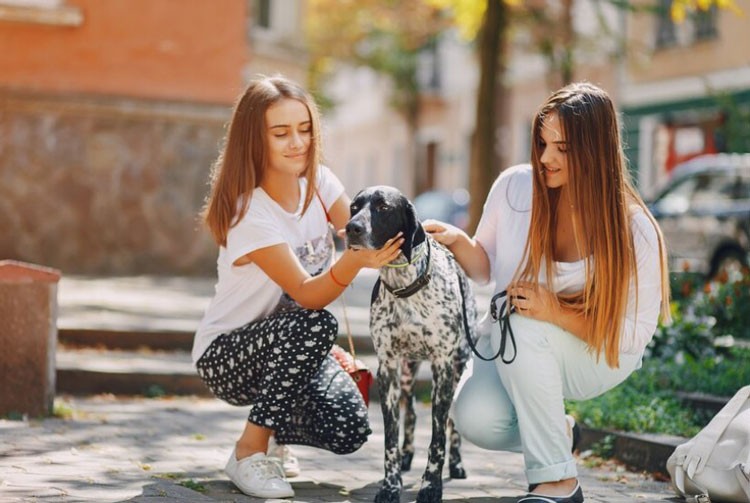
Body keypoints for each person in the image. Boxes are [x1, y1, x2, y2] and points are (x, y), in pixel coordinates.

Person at [424, 82, 671, 503]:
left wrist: (553, 310)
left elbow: (630, 335)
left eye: (563, 148)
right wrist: (457, 242)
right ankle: (555, 433)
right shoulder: (514, 187)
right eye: (541, 142)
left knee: (523, 324)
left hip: (597, 350)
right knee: (476, 420)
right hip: (519, 340)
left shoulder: (634, 230)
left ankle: (558, 484)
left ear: (595, 151)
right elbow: (486, 267)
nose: (544, 158)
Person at [192, 75, 403, 499]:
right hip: (228, 355)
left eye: (305, 129)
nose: (297, 143)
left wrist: (418, 242)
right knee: (314, 323)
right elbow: (308, 293)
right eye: (281, 133)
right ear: (255, 140)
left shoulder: (321, 184)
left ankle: (273, 438)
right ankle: (248, 452)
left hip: (293, 345)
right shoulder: (249, 212)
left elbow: (363, 233)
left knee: (348, 428)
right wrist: (355, 259)